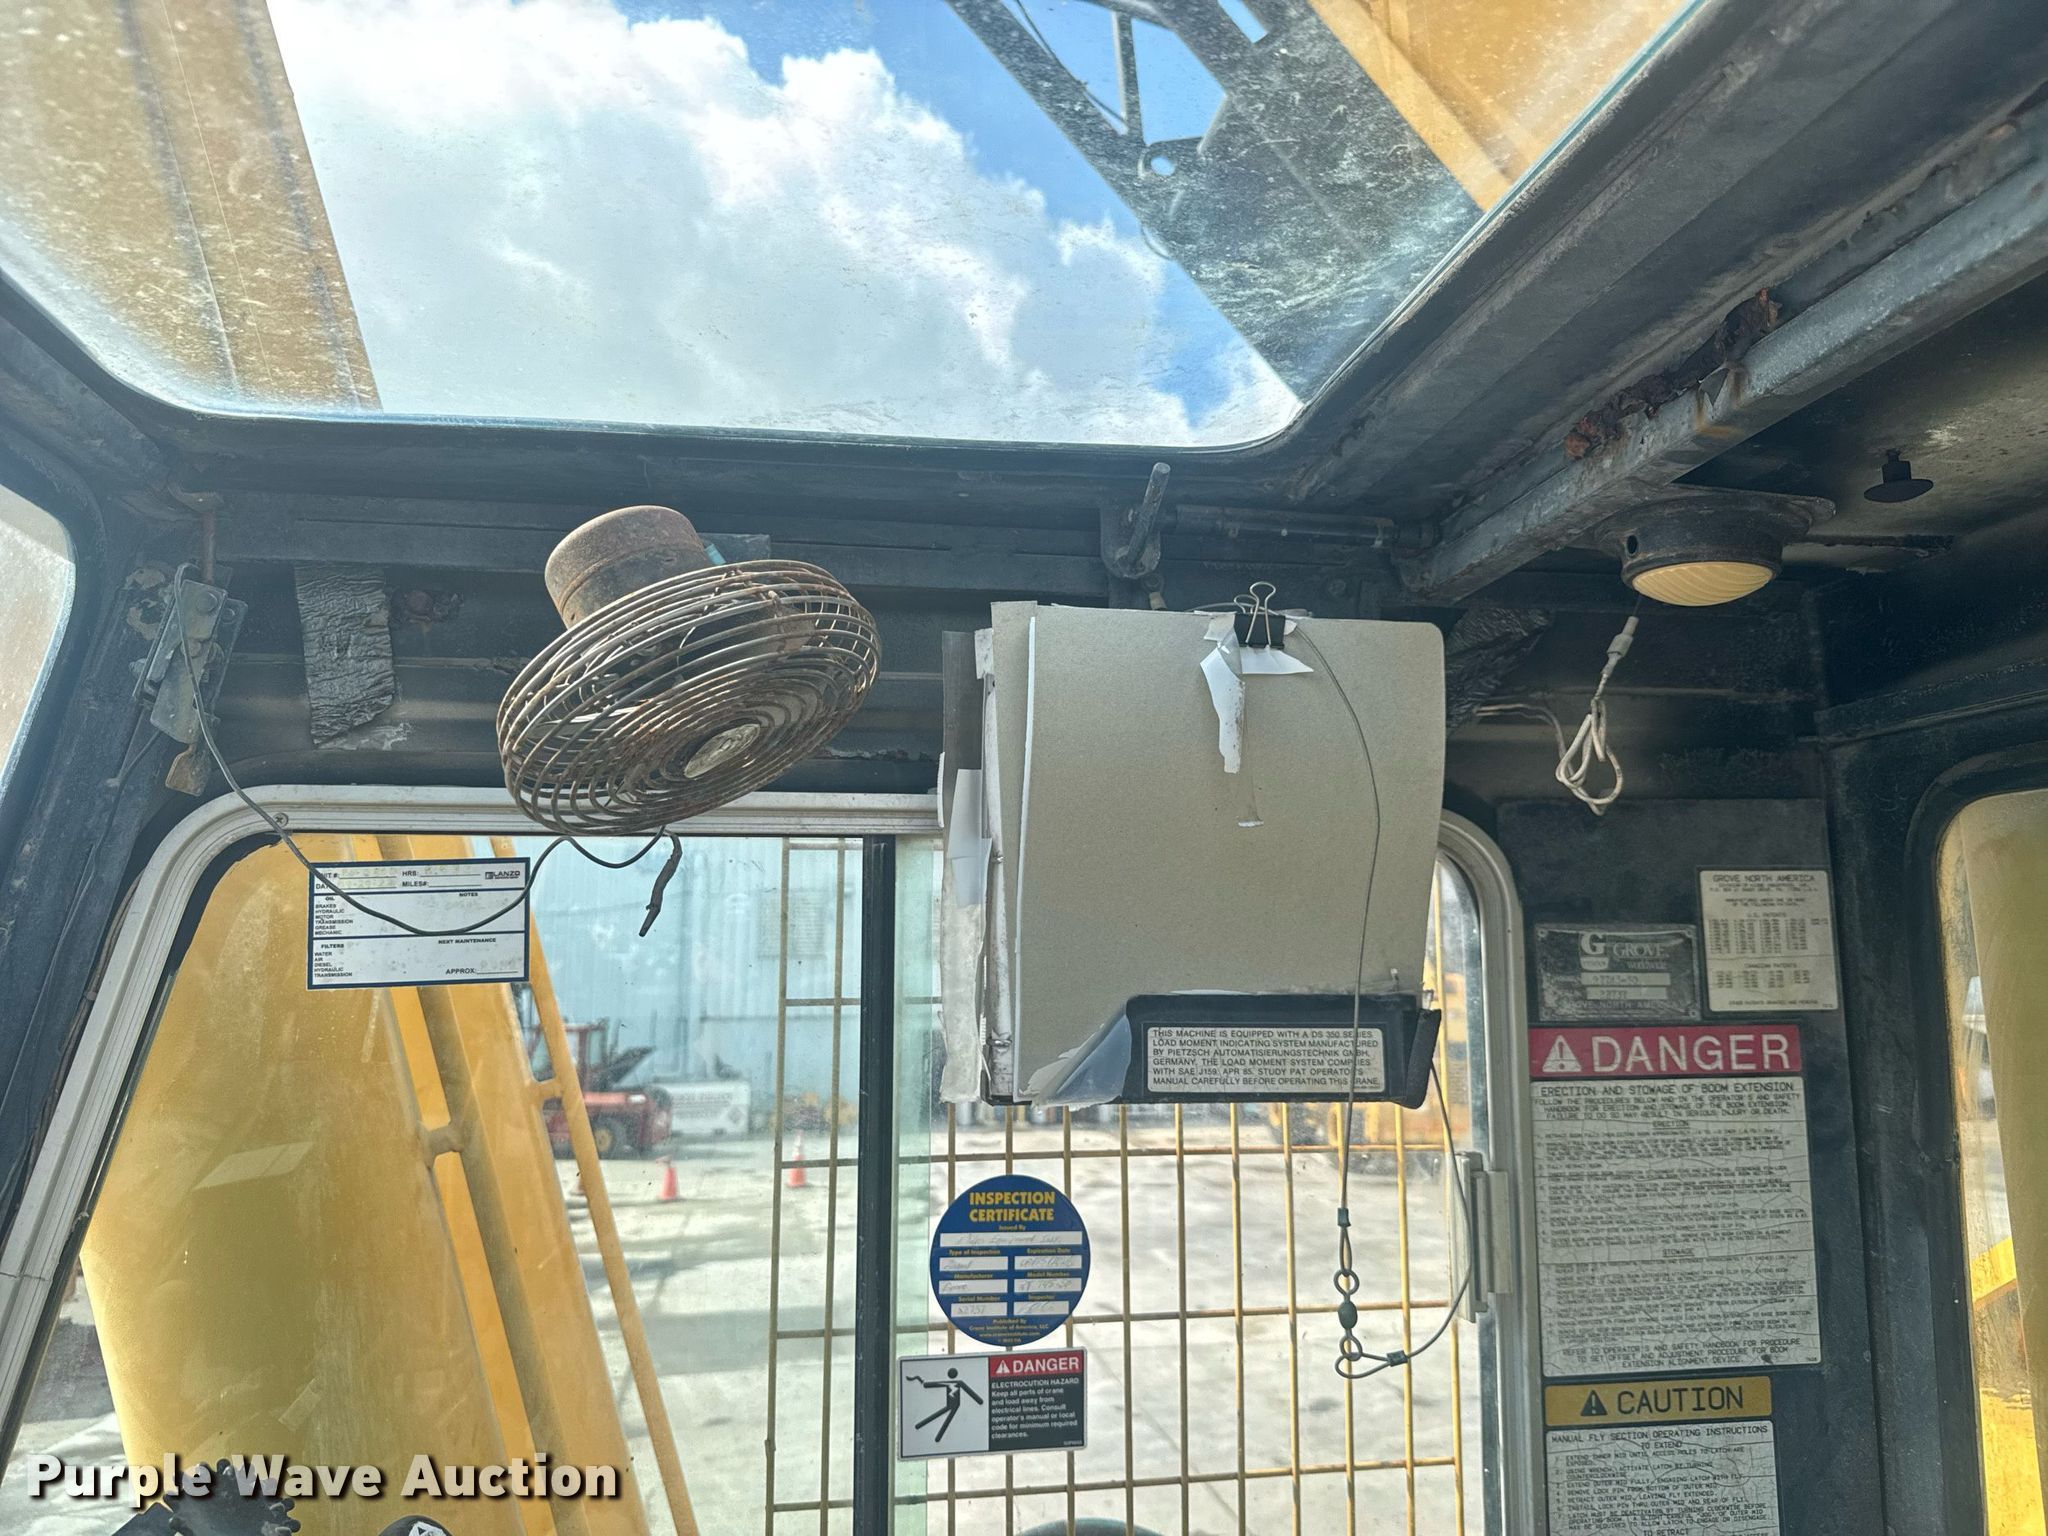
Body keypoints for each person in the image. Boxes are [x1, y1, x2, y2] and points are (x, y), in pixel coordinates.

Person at [907, 1367, 983, 1442]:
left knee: (943, 1417)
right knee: (945, 1418)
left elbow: (934, 1384)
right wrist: (979, 1401)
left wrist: (923, 1383)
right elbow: (969, 1391)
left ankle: (928, 1431)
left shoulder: (952, 1383)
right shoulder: (959, 1383)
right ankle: (934, 1436)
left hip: (952, 1405)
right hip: (953, 1405)